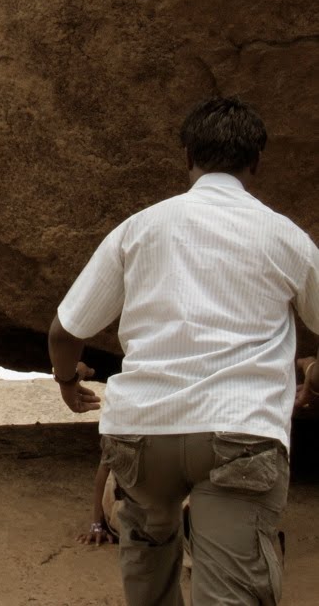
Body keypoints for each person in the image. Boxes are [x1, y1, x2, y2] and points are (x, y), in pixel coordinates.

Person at [49, 96, 319, 606]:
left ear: (187, 156)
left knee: (148, 578)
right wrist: (313, 378)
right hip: (240, 429)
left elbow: (65, 330)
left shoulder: (139, 228)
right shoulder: (286, 238)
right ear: (255, 163)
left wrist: (67, 380)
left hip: (144, 432)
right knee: (231, 591)